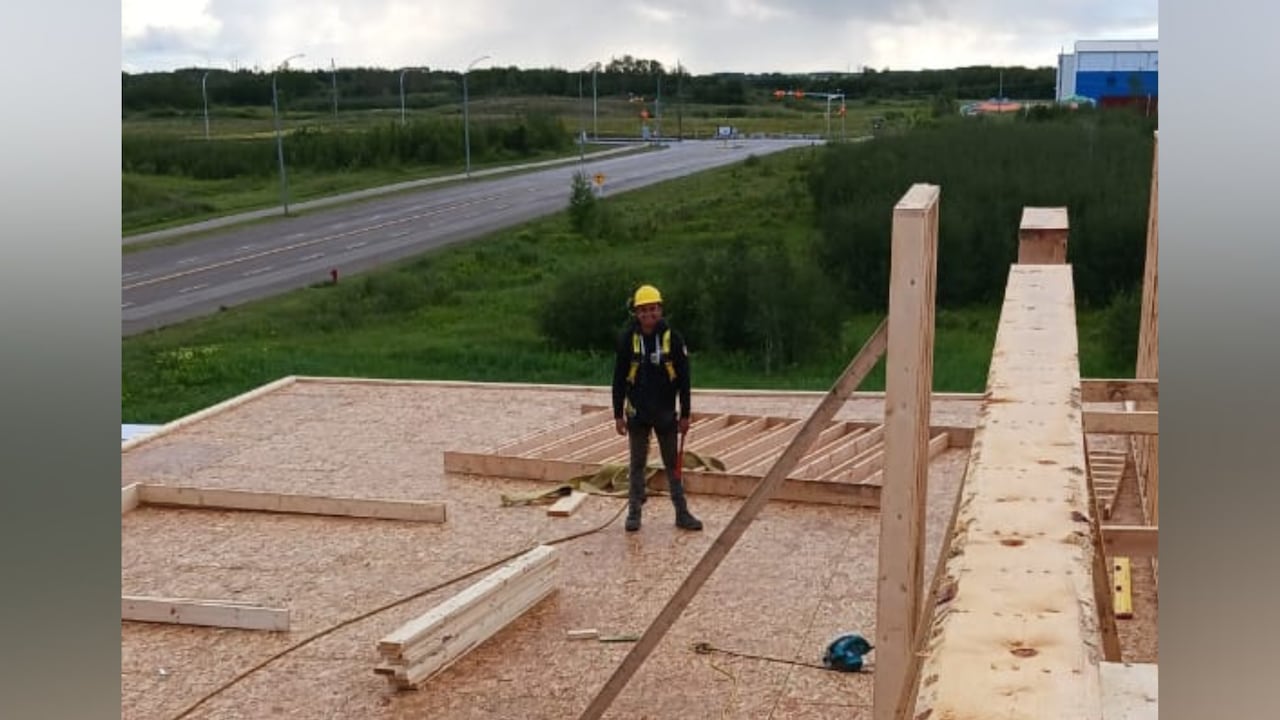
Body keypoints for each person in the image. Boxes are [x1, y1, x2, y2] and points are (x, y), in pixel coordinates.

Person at [612, 284, 703, 533]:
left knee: (672, 464)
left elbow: (684, 380)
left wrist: (685, 414)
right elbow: (619, 379)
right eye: (642, 310)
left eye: (652, 309)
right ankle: (634, 513)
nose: (648, 315)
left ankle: (682, 513)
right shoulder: (627, 339)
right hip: (637, 413)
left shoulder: (673, 338)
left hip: (664, 413)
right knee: (637, 465)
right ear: (636, 313)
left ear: (660, 309)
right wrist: (617, 415)